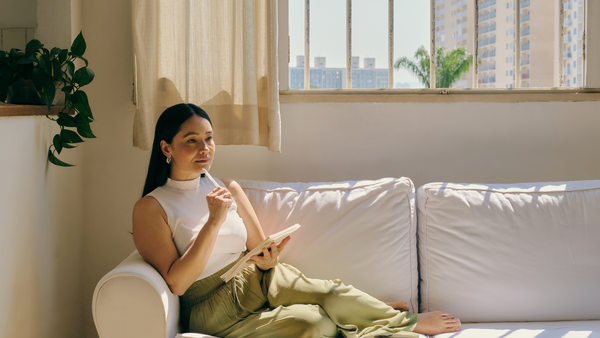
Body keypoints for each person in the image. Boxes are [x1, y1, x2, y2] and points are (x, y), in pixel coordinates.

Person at [132, 103, 461, 338]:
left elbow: (258, 248)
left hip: (256, 277)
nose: (205, 148)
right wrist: (212, 223)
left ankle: (403, 323)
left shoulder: (227, 188)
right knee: (313, 325)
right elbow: (177, 283)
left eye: (209, 138)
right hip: (211, 305)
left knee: (332, 293)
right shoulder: (151, 207)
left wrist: (267, 257)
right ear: (167, 147)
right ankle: (367, 314)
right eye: (192, 140)